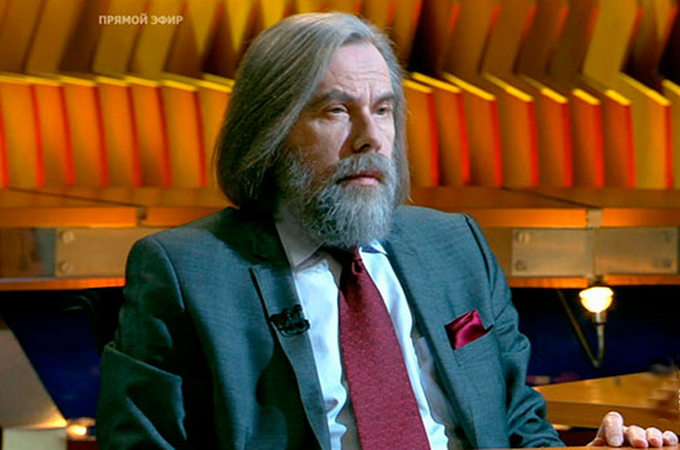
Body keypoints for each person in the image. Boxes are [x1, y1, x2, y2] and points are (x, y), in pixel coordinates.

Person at [96, 12, 679, 450]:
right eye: (336, 110)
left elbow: (518, 424)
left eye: (383, 109)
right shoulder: (185, 271)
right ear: (269, 131)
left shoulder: (456, 246)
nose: (370, 137)